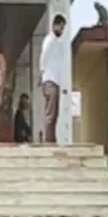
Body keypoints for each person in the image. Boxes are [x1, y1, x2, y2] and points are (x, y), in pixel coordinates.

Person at [39, 12, 68, 143]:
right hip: (50, 80)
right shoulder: (49, 40)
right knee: (50, 112)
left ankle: (51, 138)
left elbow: (60, 65)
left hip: (55, 81)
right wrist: (42, 72)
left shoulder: (58, 43)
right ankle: (48, 139)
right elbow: (43, 57)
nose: (62, 30)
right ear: (55, 26)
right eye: (61, 27)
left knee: (55, 113)